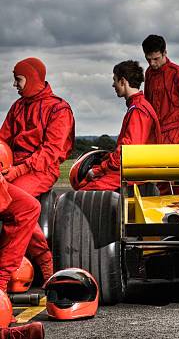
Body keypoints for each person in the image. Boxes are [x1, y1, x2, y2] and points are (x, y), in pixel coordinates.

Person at [0, 57, 75, 281]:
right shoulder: (17, 107)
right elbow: (3, 139)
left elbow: (51, 152)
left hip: (41, 169)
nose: (15, 85)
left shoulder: (59, 109)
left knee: (17, 205)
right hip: (13, 167)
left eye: (18, 80)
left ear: (32, 79)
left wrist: (17, 171)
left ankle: (44, 262)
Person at [77, 60, 160, 191]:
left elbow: (127, 151)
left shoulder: (138, 110)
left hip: (133, 175)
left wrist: (99, 169)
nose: (113, 85)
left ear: (123, 81)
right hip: (137, 172)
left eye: (114, 80)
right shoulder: (139, 106)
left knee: (82, 193)